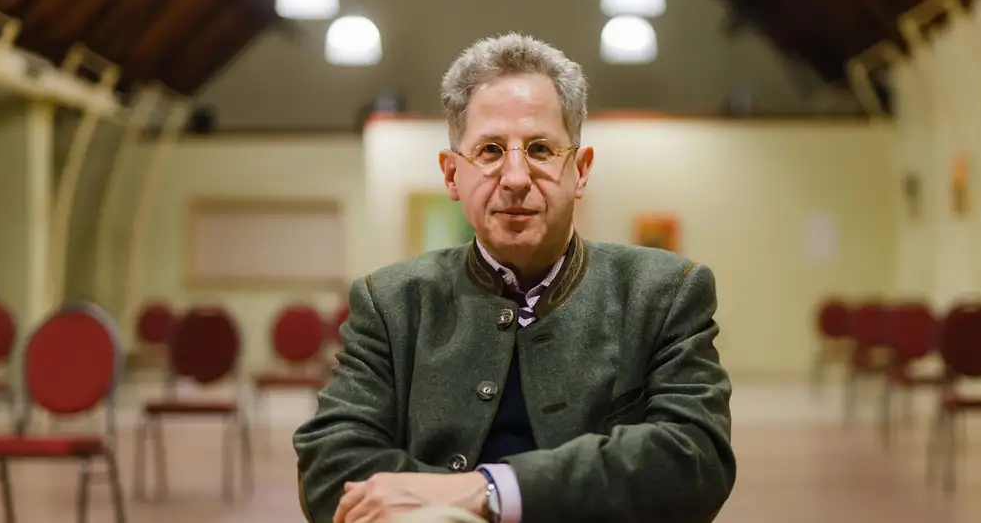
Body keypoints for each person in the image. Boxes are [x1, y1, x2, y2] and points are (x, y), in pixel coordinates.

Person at [293, 33, 736, 523]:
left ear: (581, 170)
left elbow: (695, 459)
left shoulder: (664, 293)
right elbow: (330, 467)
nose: (517, 178)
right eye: (489, 150)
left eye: (541, 149)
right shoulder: (390, 302)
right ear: (451, 175)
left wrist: (488, 491)